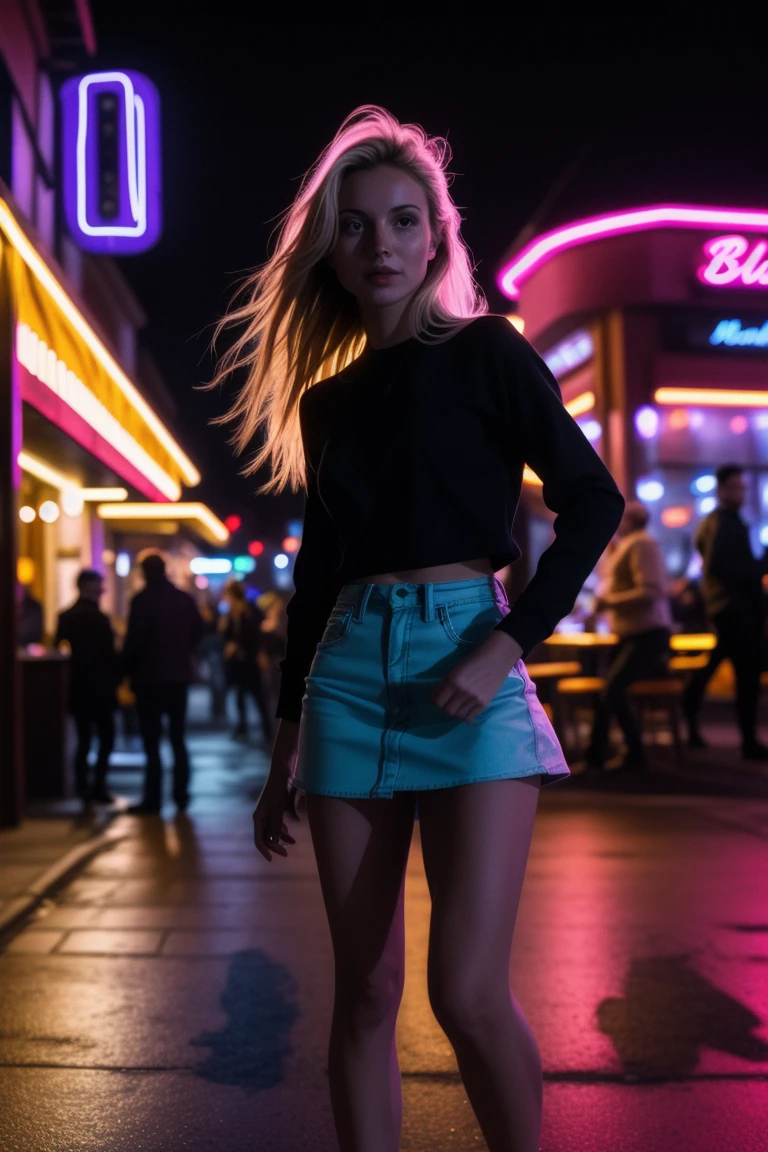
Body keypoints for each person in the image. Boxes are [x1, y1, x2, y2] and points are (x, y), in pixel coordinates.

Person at [210, 106, 624, 1152]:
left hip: (467, 658)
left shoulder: (489, 353)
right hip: (348, 675)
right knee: (363, 993)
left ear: (437, 238)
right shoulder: (330, 403)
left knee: (468, 991)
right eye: (357, 227)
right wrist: (282, 739)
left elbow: (593, 499)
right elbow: (316, 578)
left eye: (402, 222)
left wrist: (506, 642)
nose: (381, 244)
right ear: (333, 253)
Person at [682, 464, 768, 759]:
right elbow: (721, 566)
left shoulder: (723, 522)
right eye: (734, 487)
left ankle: (691, 714)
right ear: (720, 490)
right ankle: (748, 742)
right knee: (746, 675)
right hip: (735, 609)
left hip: (729, 608)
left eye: (742, 487)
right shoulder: (723, 523)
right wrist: (759, 567)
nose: (740, 492)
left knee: (722, 666)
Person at [582, 500, 673, 772]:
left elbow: (651, 591)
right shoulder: (630, 545)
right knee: (607, 689)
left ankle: (633, 754)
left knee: (612, 689)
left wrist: (608, 601)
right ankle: (594, 755)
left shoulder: (640, 544)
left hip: (648, 634)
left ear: (628, 520)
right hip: (635, 634)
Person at [121, 553, 204, 813]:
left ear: (144, 572)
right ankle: (181, 795)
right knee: (178, 738)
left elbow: (135, 642)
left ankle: (153, 799)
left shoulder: (142, 601)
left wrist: (123, 670)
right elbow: (197, 633)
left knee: (152, 741)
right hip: (178, 678)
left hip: (149, 679)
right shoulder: (184, 599)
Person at [55, 569, 118, 804]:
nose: (102, 589)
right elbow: (110, 656)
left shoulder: (66, 616)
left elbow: (59, 649)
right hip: (101, 687)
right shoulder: (100, 619)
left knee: (83, 740)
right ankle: (98, 786)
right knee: (105, 738)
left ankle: (83, 786)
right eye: (98, 584)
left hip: (78, 686)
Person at [220, 580, 275, 742]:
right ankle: (245, 727)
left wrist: (240, 646)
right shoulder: (231, 613)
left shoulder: (248, 611)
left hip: (249, 659)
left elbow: (255, 635)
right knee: (242, 694)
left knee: (256, 694)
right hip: (238, 661)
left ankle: (265, 729)